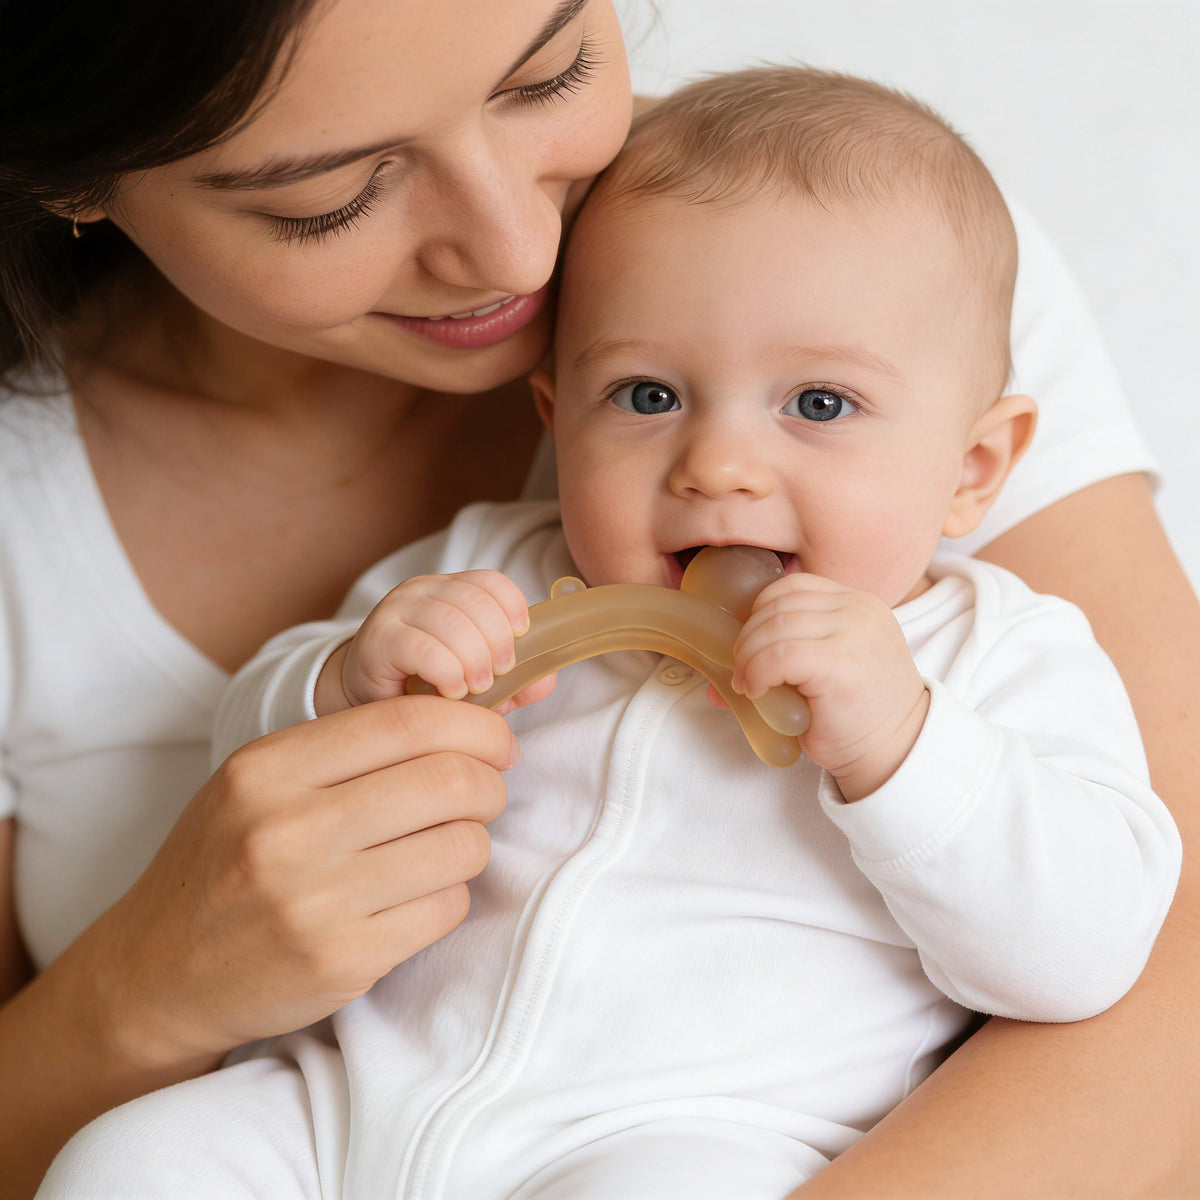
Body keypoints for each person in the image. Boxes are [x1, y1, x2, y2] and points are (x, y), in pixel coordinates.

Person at [0, 3, 1196, 1199]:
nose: (524, 256)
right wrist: (338, 684)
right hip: (350, 1107)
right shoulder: (489, 564)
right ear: (552, 409)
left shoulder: (973, 609)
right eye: (331, 197)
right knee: (132, 1160)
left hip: (679, 1137)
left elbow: (1107, 948)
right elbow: (261, 780)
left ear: (977, 469)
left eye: (547, 73)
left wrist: (906, 748)